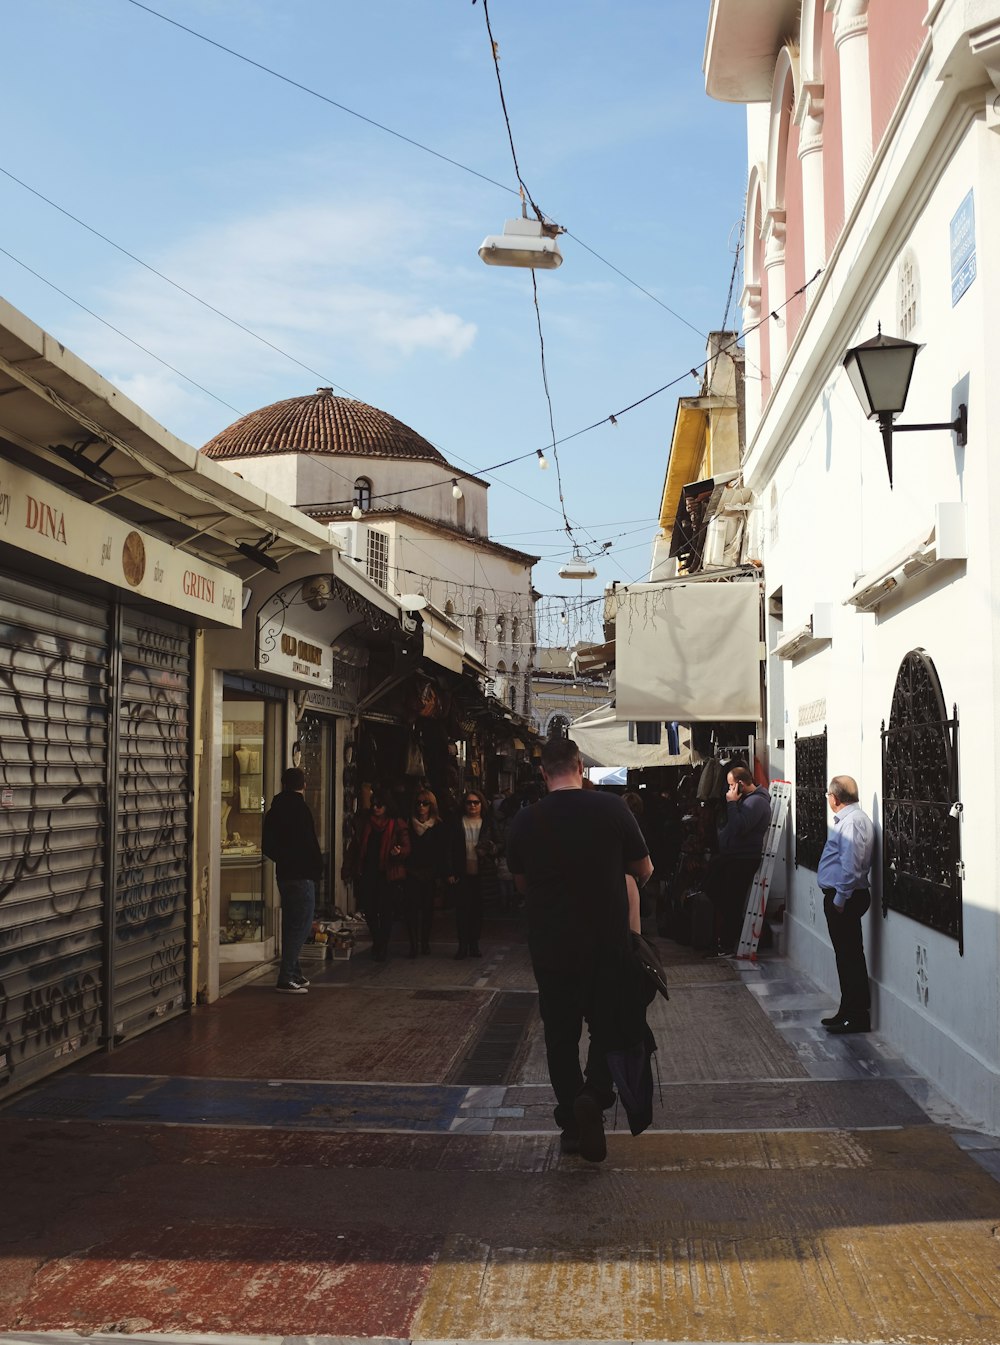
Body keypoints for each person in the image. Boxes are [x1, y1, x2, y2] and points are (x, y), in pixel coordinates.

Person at [505, 736, 653, 1163]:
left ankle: (572, 1120)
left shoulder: (525, 821)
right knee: (610, 1027)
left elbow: (522, 884)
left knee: (560, 1035)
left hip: (552, 947)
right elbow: (644, 870)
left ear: (542, 772)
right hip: (608, 944)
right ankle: (596, 1093)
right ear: (580, 766)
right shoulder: (612, 809)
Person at [818, 775, 874, 1034]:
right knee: (845, 956)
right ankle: (847, 1009)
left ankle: (857, 1015)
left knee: (850, 956)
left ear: (835, 798)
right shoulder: (849, 820)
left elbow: (851, 865)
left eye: (828, 795)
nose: (828, 799)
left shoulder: (852, 823)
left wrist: (840, 900)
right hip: (844, 896)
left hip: (846, 898)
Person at [261, 766, 323, 994]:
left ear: (283, 784)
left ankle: (295, 971)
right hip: (302, 875)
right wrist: (315, 868)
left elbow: (268, 845)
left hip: (284, 875)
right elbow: (310, 843)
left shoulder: (274, 810)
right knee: (302, 925)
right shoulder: (302, 809)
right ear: (303, 785)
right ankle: (286, 976)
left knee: (291, 924)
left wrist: (283, 859)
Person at [703, 764, 771, 954]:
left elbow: (738, 826)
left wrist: (732, 803)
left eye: (731, 785)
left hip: (743, 858)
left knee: (732, 900)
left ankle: (727, 941)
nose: (729, 790)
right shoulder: (748, 800)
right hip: (733, 855)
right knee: (715, 889)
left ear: (740, 783)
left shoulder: (756, 802)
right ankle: (731, 933)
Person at [346, 790, 410, 961]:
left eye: (379, 805)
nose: (375, 808)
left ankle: (382, 944)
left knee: (386, 911)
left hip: (387, 873)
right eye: (373, 804)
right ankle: (378, 940)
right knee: (370, 910)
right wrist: (350, 867)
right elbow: (356, 847)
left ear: (387, 807)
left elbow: (406, 847)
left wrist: (399, 852)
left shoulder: (396, 824)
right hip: (368, 872)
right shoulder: (364, 824)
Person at [445, 787, 500, 959]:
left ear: (481, 804)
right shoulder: (457, 822)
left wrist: (490, 848)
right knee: (462, 911)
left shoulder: (488, 823)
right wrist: (450, 871)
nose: (472, 806)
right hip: (462, 873)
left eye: (476, 802)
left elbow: (500, 843)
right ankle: (462, 945)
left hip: (482, 873)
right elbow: (449, 849)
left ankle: (474, 944)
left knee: (477, 911)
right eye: (469, 802)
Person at [406, 789, 448, 956]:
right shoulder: (408, 824)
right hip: (411, 871)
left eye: (425, 803)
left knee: (427, 910)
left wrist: (441, 875)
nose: (421, 807)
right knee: (411, 909)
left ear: (432, 806)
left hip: (430, 873)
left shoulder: (438, 826)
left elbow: (442, 852)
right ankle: (413, 944)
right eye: (418, 803)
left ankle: (424, 942)